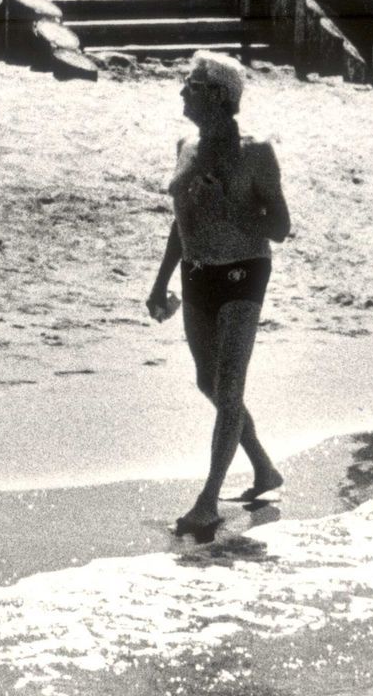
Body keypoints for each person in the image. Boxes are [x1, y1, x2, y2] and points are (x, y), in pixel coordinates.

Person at [146, 52, 291, 537]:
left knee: (229, 391)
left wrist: (228, 207)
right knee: (209, 384)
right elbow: (181, 221)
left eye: (190, 84)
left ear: (218, 95)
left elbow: (280, 227)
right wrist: (160, 281)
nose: (182, 91)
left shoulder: (256, 152)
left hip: (243, 274)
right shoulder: (186, 146)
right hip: (197, 274)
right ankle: (265, 470)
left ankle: (207, 502)